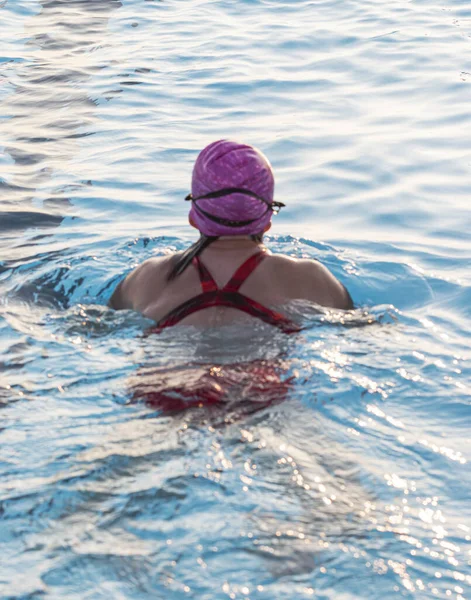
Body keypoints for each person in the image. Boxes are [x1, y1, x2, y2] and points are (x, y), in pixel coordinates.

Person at [109, 139, 353, 333]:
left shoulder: (145, 278)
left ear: (193, 216)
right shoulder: (310, 278)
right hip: (260, 386)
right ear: (267, 220)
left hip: (165, 384)